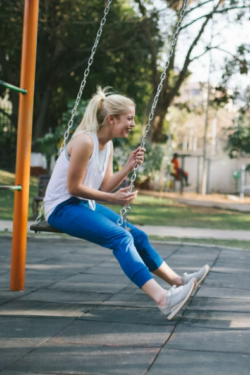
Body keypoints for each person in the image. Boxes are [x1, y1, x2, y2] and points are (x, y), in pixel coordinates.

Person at [44, 87, 209, 320]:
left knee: (137, 235)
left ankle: (178, 281)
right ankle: (163, 299)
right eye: (129, 118)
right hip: (62, 208)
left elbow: (105, 186)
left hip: (82, 205)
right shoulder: (84, 142)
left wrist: (128, 165)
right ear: (112, 119)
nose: (132, 123)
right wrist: (113, 199)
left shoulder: (108, 145)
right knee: (121, 237)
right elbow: (73, 188)